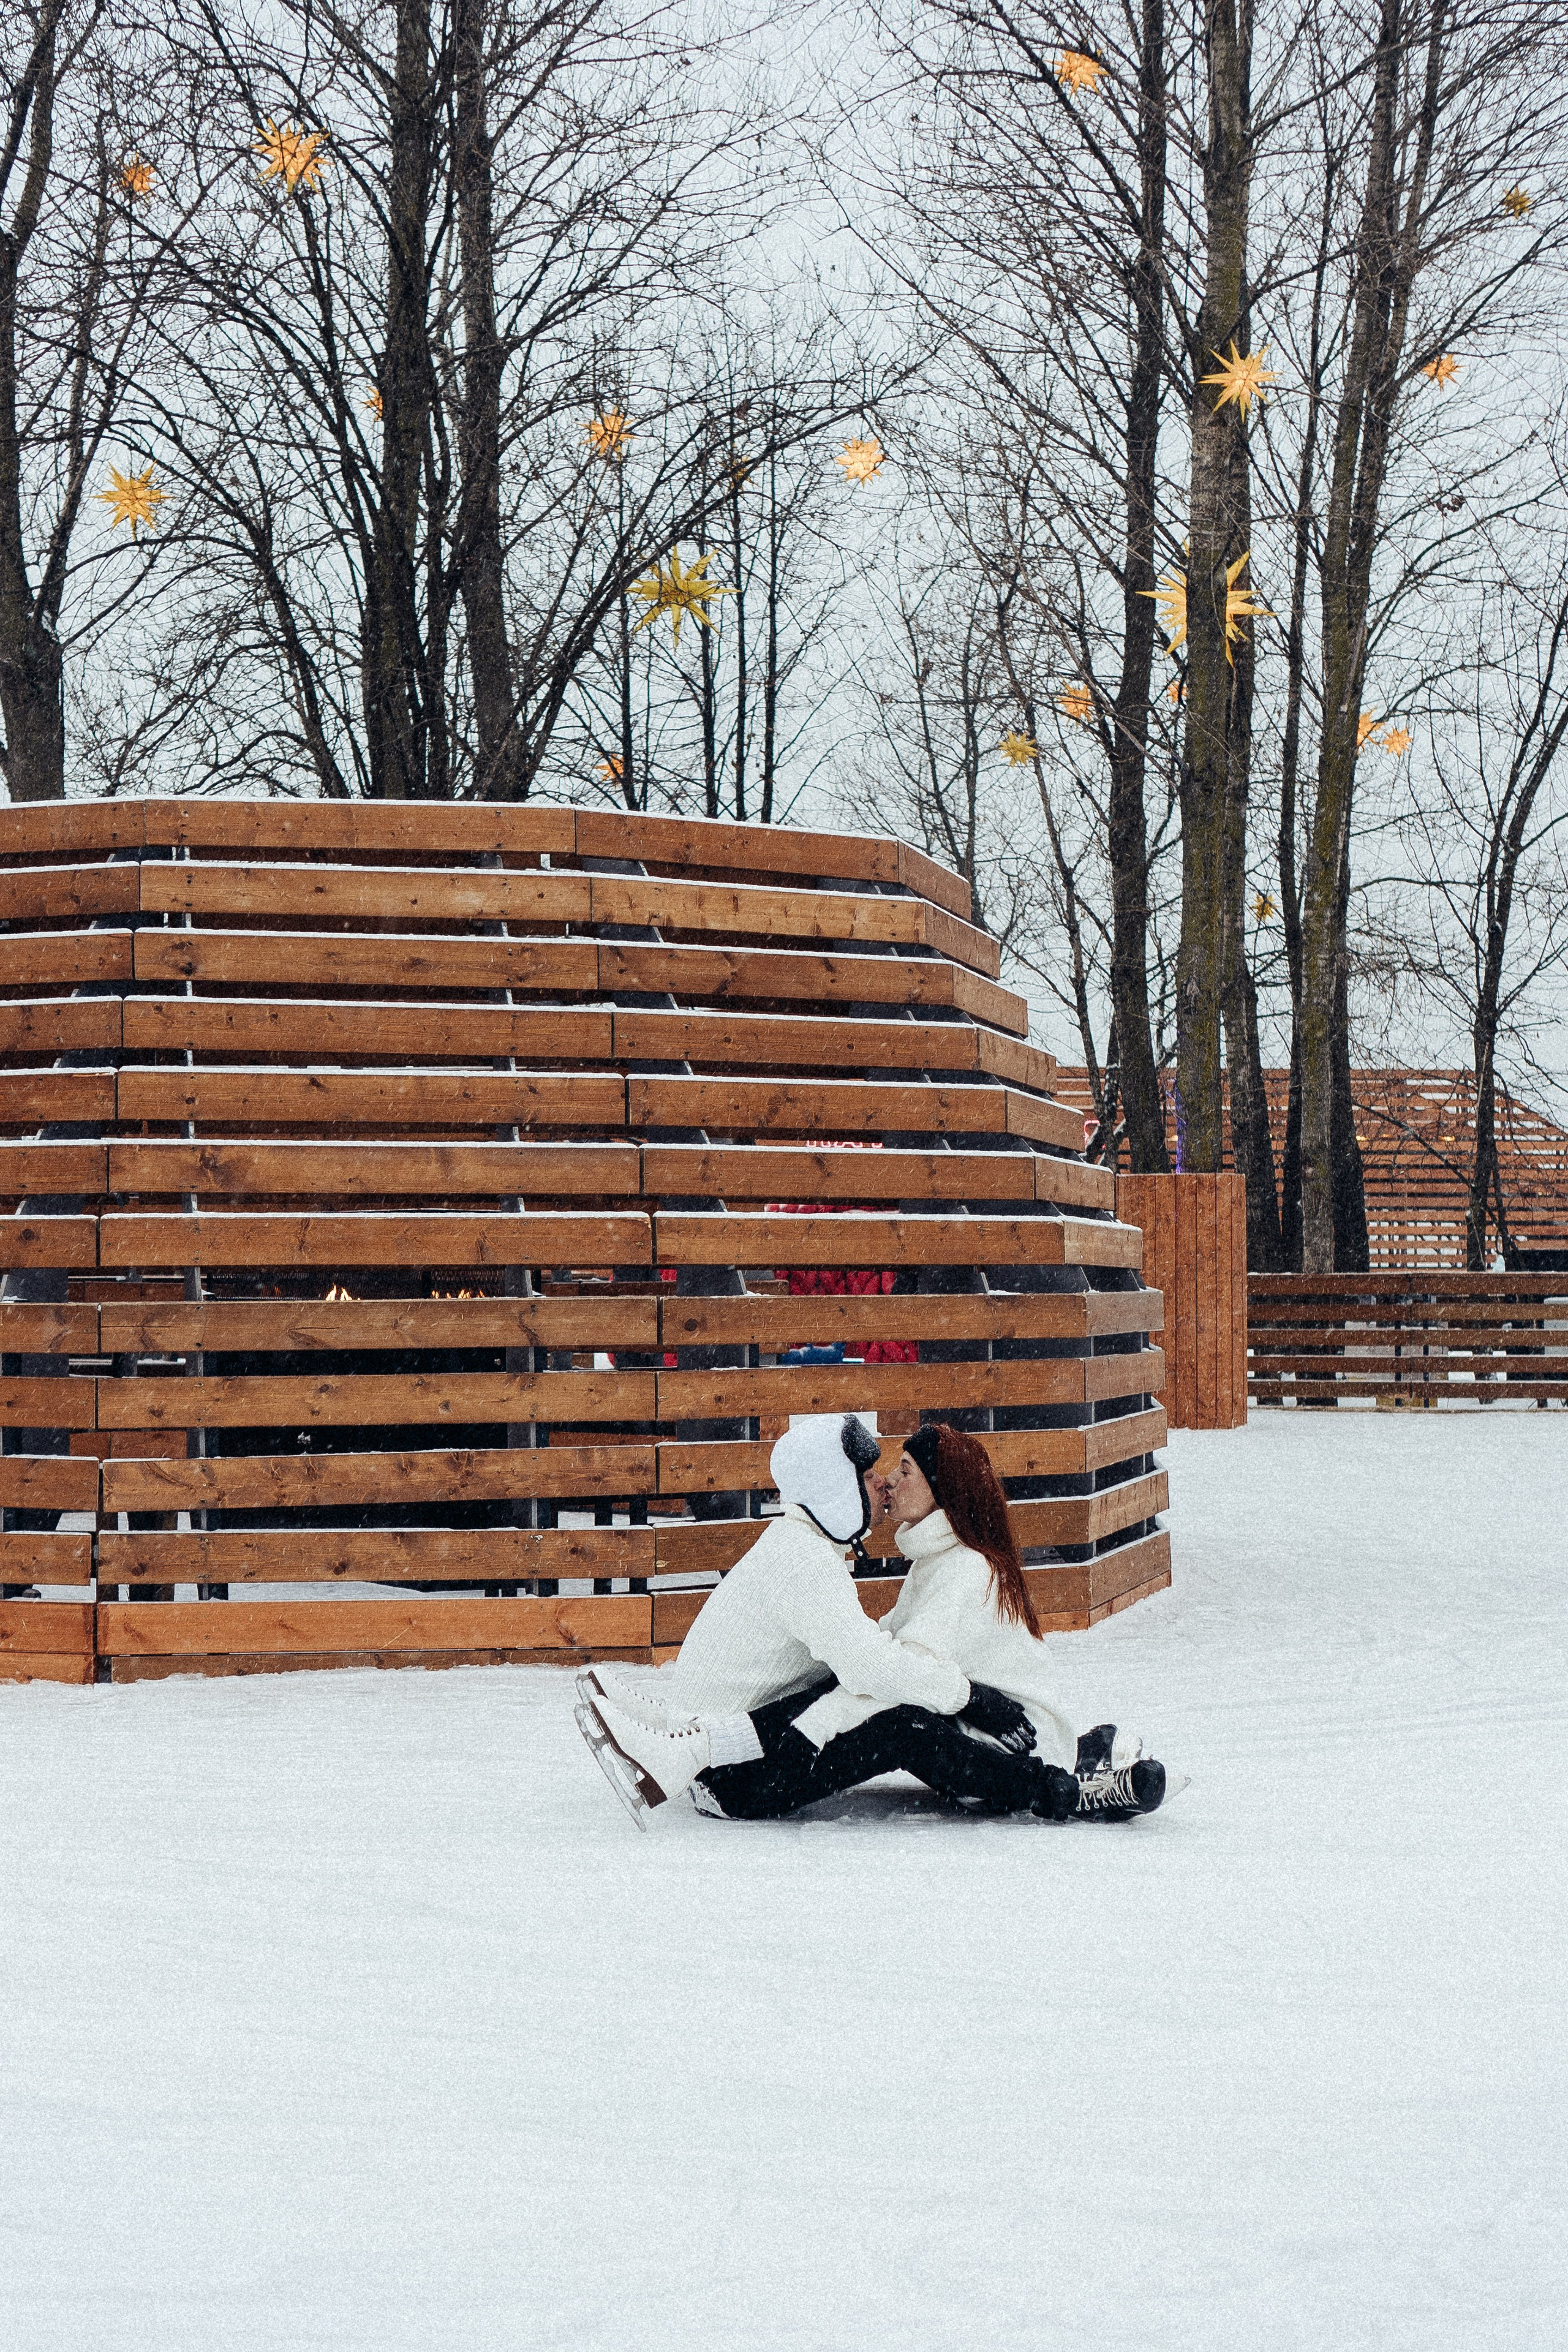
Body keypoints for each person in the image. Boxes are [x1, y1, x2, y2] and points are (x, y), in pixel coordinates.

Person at [575, 1412, 1081, 1828]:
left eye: (898, 1471)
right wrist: (973, 1697)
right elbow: (876, 1667)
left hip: (729, 1763)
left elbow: (876, 1661)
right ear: (837, 1491)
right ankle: (681, 1738)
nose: (883, 1484)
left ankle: (681, 1733)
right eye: (868, 1476)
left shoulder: (805, 1545)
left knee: (876, 1685)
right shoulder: (810, 1563)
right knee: (902, 1718)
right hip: (737, 1781)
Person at [796, 1422, 1170, 1821]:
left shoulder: (964, 1568)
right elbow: (889, 1643)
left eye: (905, 1471)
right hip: (996, 1737)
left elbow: (906, 1666)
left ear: (942, 1492)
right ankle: (1089, 1753)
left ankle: (1075, 1789)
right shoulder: (942, 1558)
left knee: (903, 1723)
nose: (889, 1481)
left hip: (1011, 1751)